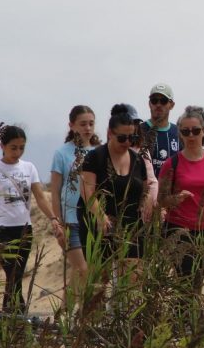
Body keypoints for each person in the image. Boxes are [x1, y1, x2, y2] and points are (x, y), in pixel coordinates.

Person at [0, 125, 60, 313]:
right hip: (1, 229)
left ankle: (10, 316)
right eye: (13, 147)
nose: (18, 152)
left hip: (23, 228)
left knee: (17, 274)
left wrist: (53, 218)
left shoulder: (29, 168)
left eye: (21, 147)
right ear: (2, 146)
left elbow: (39, 196)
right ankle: (19, 313)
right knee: (11, 272)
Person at [77, 104, 157, 274]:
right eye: (122, 138)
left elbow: (144, 188)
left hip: (130, 224)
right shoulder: (95, 157)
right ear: (110, 133)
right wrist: (101, 216)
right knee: (100, 281)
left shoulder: (137, 160)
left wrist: (146, 201)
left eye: (132, 137)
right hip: (99, 222)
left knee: (133, 277)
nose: (127, 142)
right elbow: (87, 192)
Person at [160, 106, 204, 283]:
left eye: (196, 131)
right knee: (185, 281)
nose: (191, 136)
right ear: (180, 134)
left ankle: (190, 312)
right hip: (178, 230)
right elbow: (160, 200)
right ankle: (183, 311)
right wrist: (177, 198)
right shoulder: (171, 164)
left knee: (199, 280)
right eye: (186, 131)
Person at [50, 105, 100, 292]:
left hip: (93, 220)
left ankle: (68, 315)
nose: (87, 128)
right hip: (70, 220)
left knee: (91, 273)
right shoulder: (62, 153)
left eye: (91, 124)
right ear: (72, 125)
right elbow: (54, 191)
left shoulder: (98, 152)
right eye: (83, 124)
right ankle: (67, 316)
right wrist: (57, 221)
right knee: (82, 269)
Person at [141, 83, 179, 176]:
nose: (158, 105)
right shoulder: (139, 130)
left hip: (170, 190)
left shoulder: (180, 133)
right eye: (154, 100)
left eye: (163, 101)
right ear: (149, 103)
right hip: (143, 189)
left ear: (172, 105)